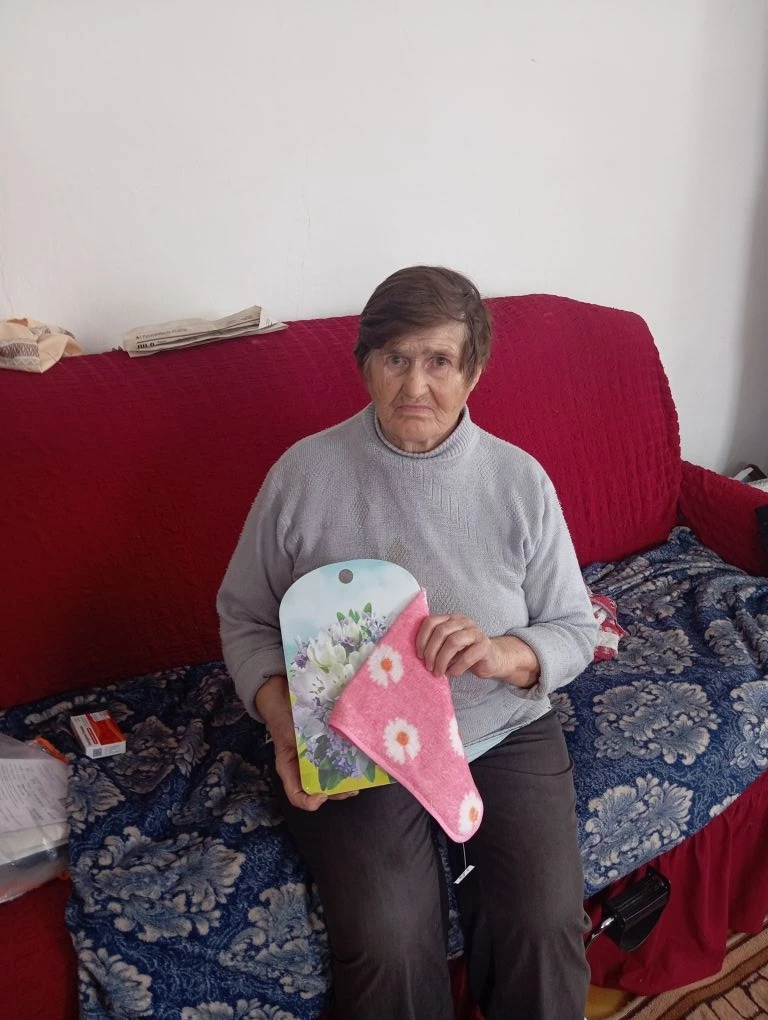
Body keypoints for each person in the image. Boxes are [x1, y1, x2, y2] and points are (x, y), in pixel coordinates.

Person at [217, 265, 598, 1020]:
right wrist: (286, 724)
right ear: (366, 365)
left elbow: (575, 628)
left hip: (500, 728)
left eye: (439, 361)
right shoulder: (303, 476)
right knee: (387, 940)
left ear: (473, 372)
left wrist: (504, 653)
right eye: (395, 358)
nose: (415, 385)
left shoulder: (518, 481)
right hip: (359, 737)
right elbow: (245, 617)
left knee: (543, 927)